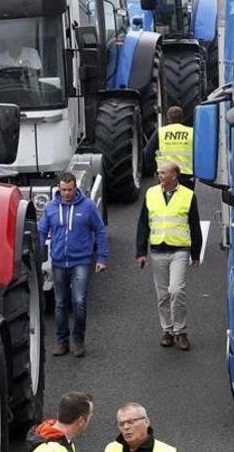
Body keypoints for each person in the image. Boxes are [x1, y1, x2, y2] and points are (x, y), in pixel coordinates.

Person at [38, 172, 108, 357]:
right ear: (58, 189)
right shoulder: (51, 208)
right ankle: (62, 341)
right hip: (59, 262)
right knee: (60, 303)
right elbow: (41, 231)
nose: (67, 193)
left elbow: (100, 230)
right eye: (63, 190)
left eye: (70, 190)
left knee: (79, 301)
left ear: (75, 188)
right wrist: (37, 255)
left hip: (81, 262)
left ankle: (78, 340)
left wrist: (101, 258)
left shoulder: (88, 207)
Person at [136, 161, 203, 351]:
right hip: (157, 250)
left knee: (176, 290)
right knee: (163, 295)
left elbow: (195, 226)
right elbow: (143, 224)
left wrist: (195, 253)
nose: (159, 175)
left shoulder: (188, 196)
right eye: (158, 172)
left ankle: (181, 331)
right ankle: (167, 330)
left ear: (174, 175)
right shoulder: (150, 194)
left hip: (179, 250)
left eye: (163, 173)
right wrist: (141, 252)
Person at [144, 106, 194, 187]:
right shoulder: (191, 132)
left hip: (165, 174)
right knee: (186, 198)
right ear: (183, 118)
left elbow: (148, 152)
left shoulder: (160, 132)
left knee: (166, 198)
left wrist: (154, 170)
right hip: (186, 175)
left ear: (168, 118)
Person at [26, 392, 94, 452]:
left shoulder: (62, 440)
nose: (91, 416)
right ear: (81, 420)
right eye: (90, 415)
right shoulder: (52, 449)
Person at [105, 402, 178, 452]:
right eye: (121, 424)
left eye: (131, 422)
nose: (126, 427)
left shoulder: (167, 450)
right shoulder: (111, 449)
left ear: (146, 421)